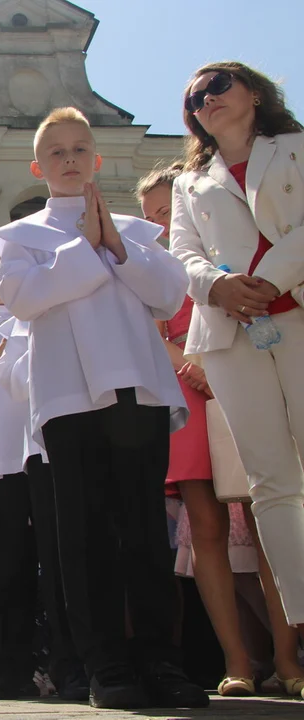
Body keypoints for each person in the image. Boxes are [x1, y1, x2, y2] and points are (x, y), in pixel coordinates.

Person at [0, 106, 206, 709]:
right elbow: (27, 301)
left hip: (139, 389)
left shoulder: (137, 231)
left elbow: (167, 295)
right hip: (68, 396)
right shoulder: (18, 240)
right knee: (82, 537)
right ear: (39, 166)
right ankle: (105, 664)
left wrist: (113, 243)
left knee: (143, 531)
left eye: (79, 148)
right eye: (55, 151)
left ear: (97, 158)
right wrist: (85, 249)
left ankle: (161, 661)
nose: (68, 159)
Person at [140, 160, 301, 697]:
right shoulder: (157, 270)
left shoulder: (224, 245)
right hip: (187, 389)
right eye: (152, 217)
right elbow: (152, 332)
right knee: (206, 529)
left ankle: (288, 657)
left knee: (266, 521)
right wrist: (193, 365)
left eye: (168, 211)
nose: (161, 224)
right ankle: (238, 664)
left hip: (242, 369)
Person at [170, 62, 304, 698]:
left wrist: (270, 276)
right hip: (230, 336)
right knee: (272, 482)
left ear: (254, 92)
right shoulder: (190, 181)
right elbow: (182, 254)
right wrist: (218, 285)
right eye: (196, 97)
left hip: (297, 313)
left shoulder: (297, 149)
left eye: (219, 86)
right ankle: (301, 631)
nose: (207, 99)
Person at [0, 248, 82, 701]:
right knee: (3, 572)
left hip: (48, 452)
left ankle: (73, 664)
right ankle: (7, 670)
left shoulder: (50, 312)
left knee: (62, 560)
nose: (3, 279)